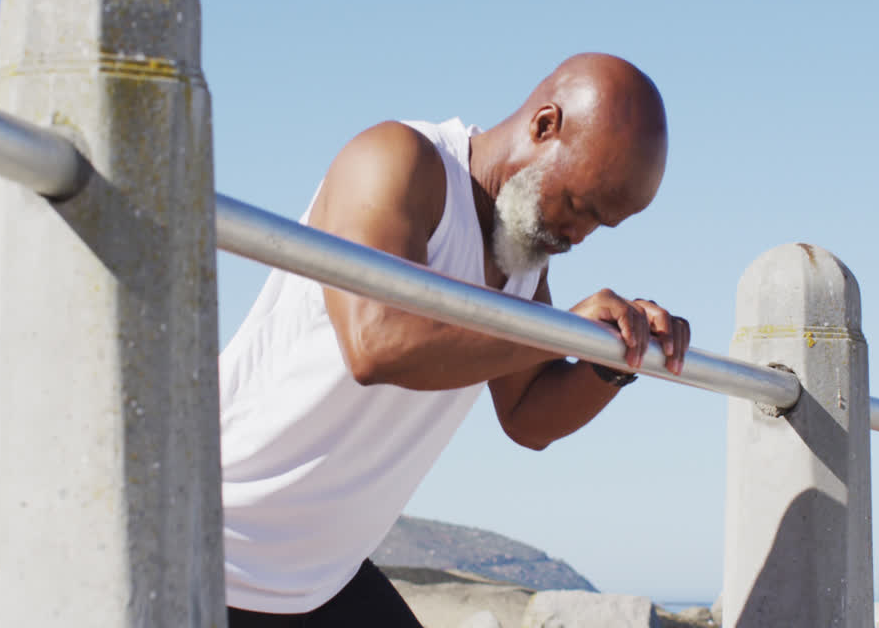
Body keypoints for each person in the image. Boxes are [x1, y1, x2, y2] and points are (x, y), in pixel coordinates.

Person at [220, 53, 691, 626]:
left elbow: (527, 417)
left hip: (320, 577)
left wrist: (615, 357)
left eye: (601, 224)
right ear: (545, 126)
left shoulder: (523, 257)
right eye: (578, 205)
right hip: (216, 542)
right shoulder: (398, 160)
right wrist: (560, 330)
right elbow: (376, 344)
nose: (579, 234)